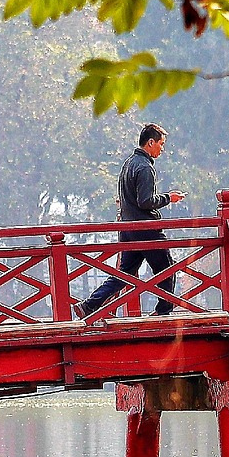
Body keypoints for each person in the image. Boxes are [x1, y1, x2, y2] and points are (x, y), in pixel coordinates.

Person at [80, 123, 185, 319]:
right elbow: (145, 201)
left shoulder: (128, 163)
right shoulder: (145, 167)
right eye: (161, 144)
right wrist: (169, 198)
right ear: (150, 142)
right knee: (167, 269)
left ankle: (90, 304)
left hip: (128, 228)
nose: (162, 149)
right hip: (146, 228)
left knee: (124, 274)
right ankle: (164, 313)